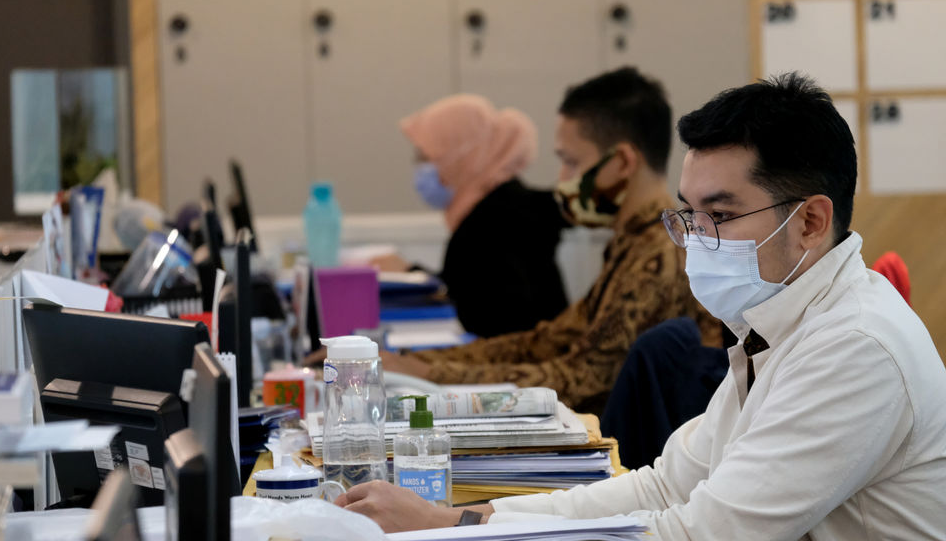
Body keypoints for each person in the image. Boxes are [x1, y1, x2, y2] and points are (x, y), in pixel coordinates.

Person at [336, 73, 946, 539]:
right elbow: (662, 487)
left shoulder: (853, 347)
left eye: (723, 216)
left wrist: (456, 527)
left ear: (811, 220)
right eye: (689, 213)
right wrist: (460, 519)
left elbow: (697, 533)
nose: (697, 238)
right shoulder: (778, 326)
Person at [381, 68, 720, 416]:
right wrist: (415, 363)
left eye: (571, 163)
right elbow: (546, 342)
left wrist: (430, 373)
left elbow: (585, 379)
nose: (562, 180)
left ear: (622, 162)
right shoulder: (633, 243)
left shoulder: (658, 253)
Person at [374, 95, 570, 338]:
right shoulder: (501, 207)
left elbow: (496, 318)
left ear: (461, 156)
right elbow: (471, 287)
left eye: (427, 158)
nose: (421, 169)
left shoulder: (493, 221)